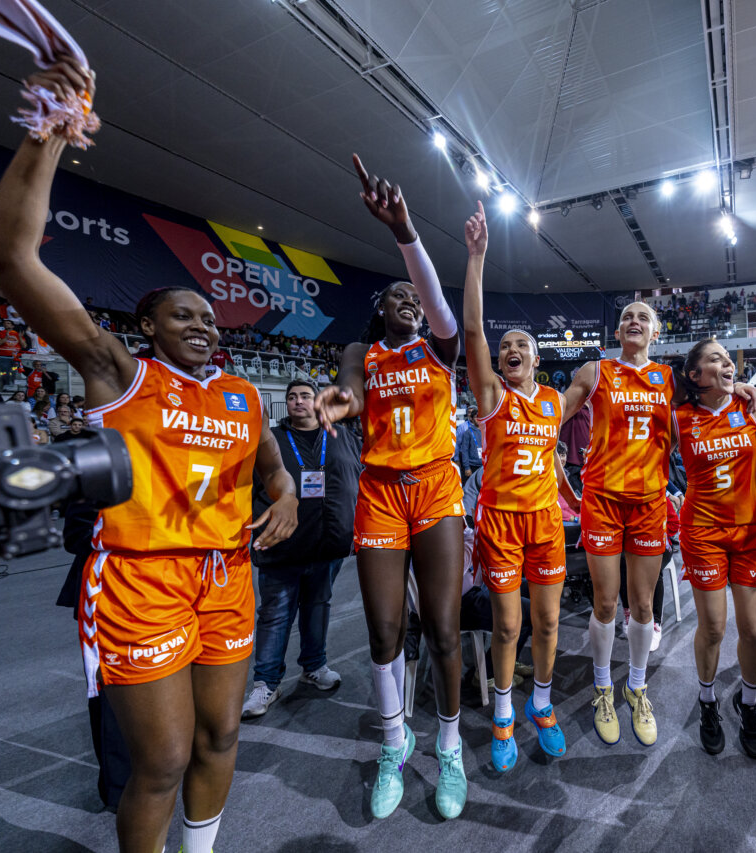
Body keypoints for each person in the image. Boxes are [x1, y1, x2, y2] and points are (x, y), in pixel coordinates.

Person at [0, 57, 299, 853]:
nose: (203, 325)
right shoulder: (118, 374)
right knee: (158, 759)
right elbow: (12, 257)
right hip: (141, 579)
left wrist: (286, 490)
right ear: (149, 326)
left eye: (209, 317)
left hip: (227, 575)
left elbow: (270, 464)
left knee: (222, 736)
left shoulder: (241, 394)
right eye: (182, 315)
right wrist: (50, 134)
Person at [313, 154, 468, 820]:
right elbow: (349, 390)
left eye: (411, 296)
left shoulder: (439, 347)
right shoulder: (363, 353)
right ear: (380, 315)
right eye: (394, 299)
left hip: (434, 488)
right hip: (379, 490)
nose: (407, 301)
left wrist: (405, 230)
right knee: (384, 628)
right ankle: (393, 742)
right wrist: (343, 405)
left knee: (443, 628)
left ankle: (452, 745)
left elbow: (434, 298)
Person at [461, 202, 580, 772]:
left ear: (537, 359)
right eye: (506, 346)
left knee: (550, 622)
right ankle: (504, 715)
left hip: (546, 523)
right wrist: (477, 259)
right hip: (501, 524)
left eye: (522, 347)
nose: (511, 351)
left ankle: (542, 705)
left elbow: (552, 454)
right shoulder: (493, 398)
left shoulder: (554, 402)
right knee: (508, 624)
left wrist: (571, 492)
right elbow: (471, 330)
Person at [560, 301, 676, 747]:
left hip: (648, 503)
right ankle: (604, 687)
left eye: (644, 317)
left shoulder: (668, 380)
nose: (634, 321)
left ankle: (638, 687)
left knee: (643, 607)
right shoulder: (595, 371)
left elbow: (701, 419)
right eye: (627, 316)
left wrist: (744, 391)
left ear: (655, 333)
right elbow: (551, 420)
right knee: (606, 604)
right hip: (604, 501)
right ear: (618, 330)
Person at [674, 339, 756, 758]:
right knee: (715, 628)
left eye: (728, 359)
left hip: (752, 532)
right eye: (715, 359)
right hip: (703, 531)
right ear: (695, 375)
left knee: (754, 630)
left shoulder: (750, 407)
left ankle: (749, 703)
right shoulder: (679, 417)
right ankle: (707, 701)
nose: (727, 364)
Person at [242, 380, 362, 719]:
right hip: (283, 546)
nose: (298, 402)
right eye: (291, 397)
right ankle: (266, 682)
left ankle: (314, 666)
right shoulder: (272, 441)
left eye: (305, 396)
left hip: (327, 545)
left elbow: (358, 480)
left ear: (317, 402)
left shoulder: (341, 436)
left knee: (318, 606)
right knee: (276, 614)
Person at [455, 402, 483, 480]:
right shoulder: (467, 431)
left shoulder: (486, 430)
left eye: (479, 417)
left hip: (484, 464)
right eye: (475, 417)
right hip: (472, 465)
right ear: (472, 418)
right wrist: (467, 467)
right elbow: (464, 449)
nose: (478, 419)